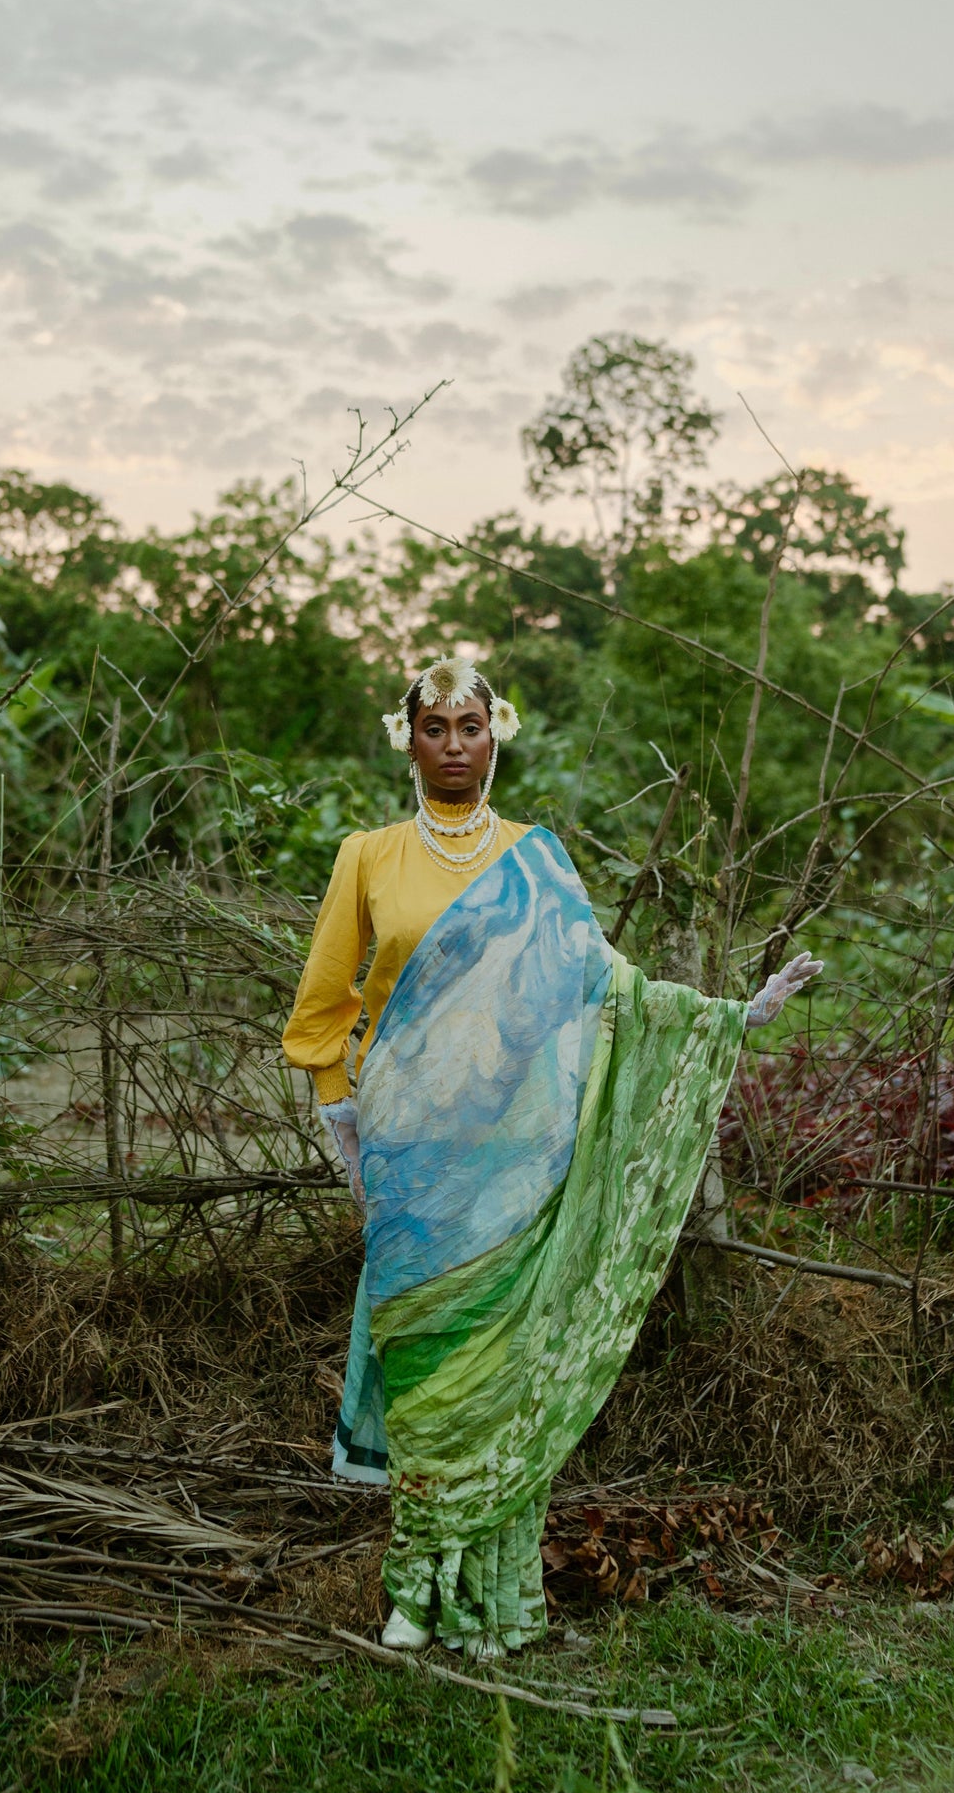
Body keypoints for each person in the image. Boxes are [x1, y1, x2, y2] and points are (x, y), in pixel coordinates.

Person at [281, 655, 820, 1662]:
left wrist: (726, 1018)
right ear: (407, 738)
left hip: (515, 1159)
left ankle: (488, 1596)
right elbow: (324, 1005)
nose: (452, 743)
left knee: (499, 1371)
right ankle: (412, 1586)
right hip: (409, 1159)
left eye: (469, 724)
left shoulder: (538, 858)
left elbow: (602, 988)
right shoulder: (368, 856)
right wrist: (337, 1121)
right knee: (426, 1374)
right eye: (433, 725)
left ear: (497, 735)